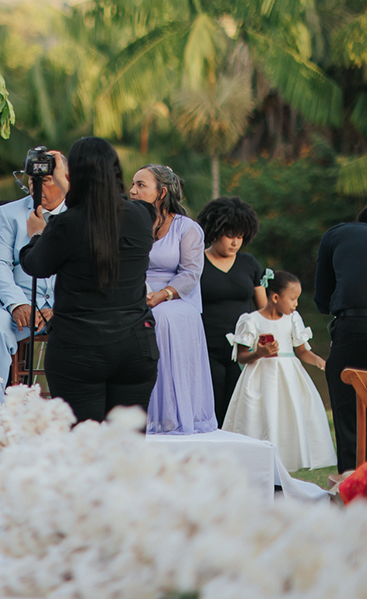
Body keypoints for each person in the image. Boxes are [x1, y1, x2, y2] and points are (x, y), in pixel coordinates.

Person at [19, 138, 159, 424]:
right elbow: (104, 211)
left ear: (75, 176)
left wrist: (37, 234)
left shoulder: (66, 225)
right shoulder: (142, 217)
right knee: (127, 448)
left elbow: (35, 265)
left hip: (79, 349)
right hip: (135, 346)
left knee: (83, 448)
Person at [129, 165, 217, 435]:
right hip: (133, 291)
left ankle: (166, 417)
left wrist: (163, 294)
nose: (132, 191)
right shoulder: (128, 223)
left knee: (160, 317)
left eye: (141, 185)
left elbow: (191, 274)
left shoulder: (187, 228)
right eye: (132, 184)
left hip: (176, 298)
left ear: (162, 191)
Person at [222, 271, 336, 472]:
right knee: (259, 418)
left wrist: (319, 361)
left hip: (288, 378)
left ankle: (285, 464)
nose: (296, 304)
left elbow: (302, 351)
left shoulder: (292, 319)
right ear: (275, 298)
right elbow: (241, 356)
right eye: (293, 299)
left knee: (286, 418)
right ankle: (257, 465)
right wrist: (259, 352)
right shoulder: (251, 320)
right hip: (260, 379)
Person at [0, 175, 65, 393]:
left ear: (64, 179)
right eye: (32, 179)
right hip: (19, 305)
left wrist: (62, 308)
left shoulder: (81, 212)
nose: (36, 186)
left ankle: (76, 416)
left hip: (67, 306)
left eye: (45, 179)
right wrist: (18, 304)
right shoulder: (10, 213)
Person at [196, 197, 267, 426]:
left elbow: (263, 309)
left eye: (240, 236)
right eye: (230, 235)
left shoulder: (250, 264)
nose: (235, 242)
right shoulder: (195, 263)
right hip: (206, 348)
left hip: (244, 350)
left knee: (242, 411)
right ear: (214, 231)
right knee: (212, 409)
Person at [314, 205, 367, 474]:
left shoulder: (338, 234)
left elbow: (322, 299)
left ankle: (352, 483)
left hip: (352, 327)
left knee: (348, 415)